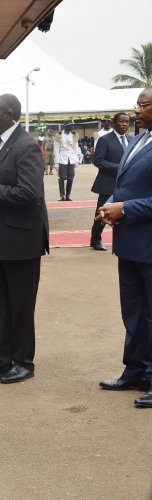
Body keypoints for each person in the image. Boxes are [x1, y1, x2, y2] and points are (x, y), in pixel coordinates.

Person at [0, 93, 48, 384]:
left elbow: (29, 194)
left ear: (9, 113)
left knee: (20, 305)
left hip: (20, 242)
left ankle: (22, 362)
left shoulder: (27, 146)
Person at [96, 87, 152, 407]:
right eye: (137, 106)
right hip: (129, 243)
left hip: (148, 242)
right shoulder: (137, 140)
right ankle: (135, 370)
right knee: (133, 311)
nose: (136, 112)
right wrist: (109, 205)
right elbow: (125, 185)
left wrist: (126, 209)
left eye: (143, 106)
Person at [90, 112, 130, 251]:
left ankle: (125, 240)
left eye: (127, 122)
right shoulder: (105, 140)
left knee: (125, 212)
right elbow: (98, 161)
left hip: (126, 185)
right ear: (114, 123)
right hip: (108, 184)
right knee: (101, 213)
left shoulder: (132, 140)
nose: (124, 124)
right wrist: (120, 168)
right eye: (121, 121)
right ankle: (95, 239)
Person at [54, 122, 79, 201]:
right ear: (66, 126)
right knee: (62, 178)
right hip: (62, 158)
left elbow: (76, 148)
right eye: (71, 125)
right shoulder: (59, 135)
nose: (73, 126)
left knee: (70, 178)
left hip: (71, 158)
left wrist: (76, 160)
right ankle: (62, 195)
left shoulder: (74, 135)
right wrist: (56, 162)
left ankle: (68, 195)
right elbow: (56, 149)